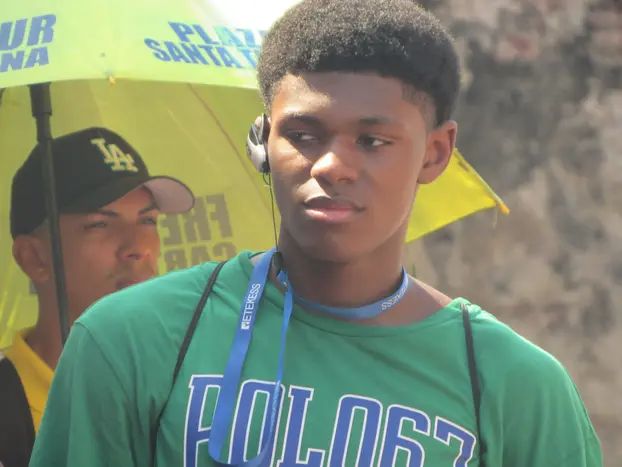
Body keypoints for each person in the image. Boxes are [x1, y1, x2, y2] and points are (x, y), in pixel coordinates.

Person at [30, 1, 602, 466]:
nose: (331, 166)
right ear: (262, 142)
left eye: (372, 141)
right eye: (303, 135)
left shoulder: (516, 387)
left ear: (435, 153)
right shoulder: (130, 340)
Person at [0, 127, 195, 467]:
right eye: (99, 224)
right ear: (34, 257)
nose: (138, 248)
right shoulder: (9, 409)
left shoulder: (196, 384)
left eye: (148, 221)